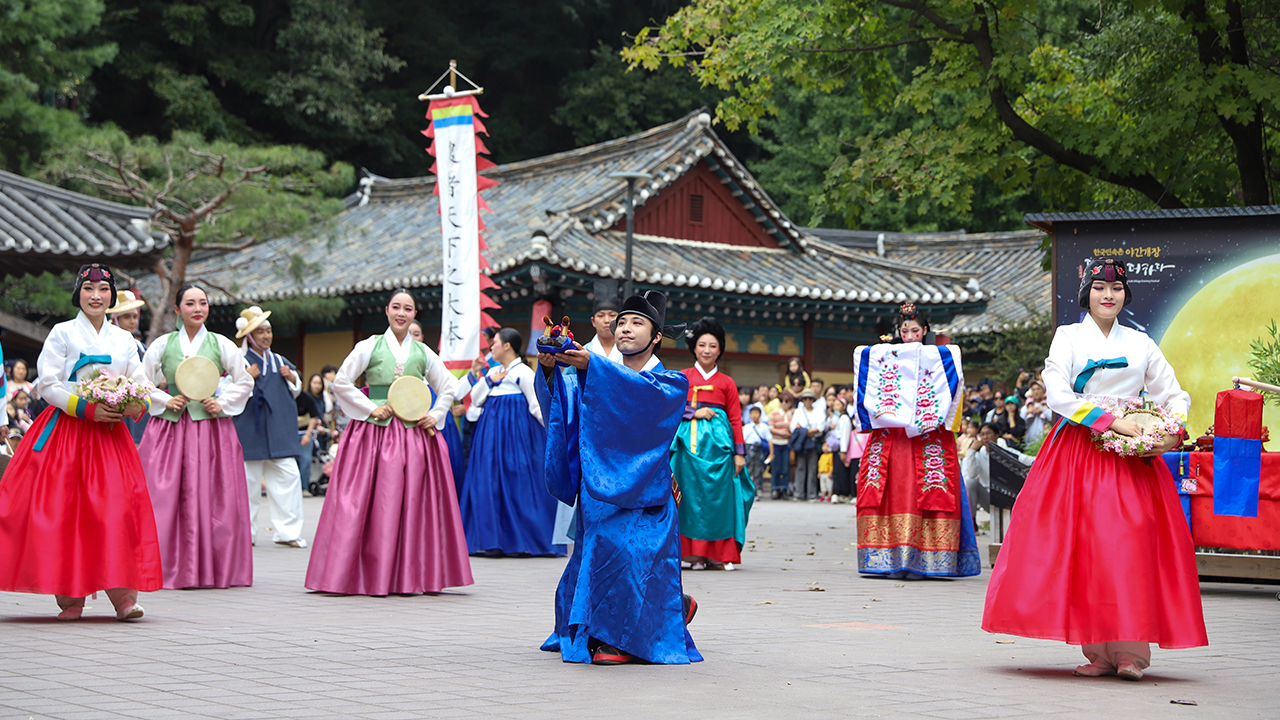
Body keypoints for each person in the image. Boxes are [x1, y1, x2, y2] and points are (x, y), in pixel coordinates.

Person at [983, 257, 1206, 680]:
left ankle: (1130, 652)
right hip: (1079, 451)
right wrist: (1109, 421)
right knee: (1086, 545)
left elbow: (1173, 393)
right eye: (1101, 289)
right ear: (1087, 292)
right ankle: (1099, 652)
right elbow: (1058, 394)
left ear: (1125, 295)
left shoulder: (1141, 344)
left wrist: (1169, 428)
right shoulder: (1068, 337)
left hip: (1131, 459)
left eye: (1117, 289)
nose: (1109, 296)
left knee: (1128, 541)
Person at [535, 289, 700, 665]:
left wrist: (590, 365)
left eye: (636, 323)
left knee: (621, 550)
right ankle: (668, 606)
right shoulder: (602, 373)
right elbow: (571, 412)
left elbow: (639, 398)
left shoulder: (670, 382)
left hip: (646, 497)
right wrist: (550, 369)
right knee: (589, 555)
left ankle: (627, 636)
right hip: (601, 493)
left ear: (656, 336)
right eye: (621, 322)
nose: (624, 329)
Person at [0, 264, 161, 620]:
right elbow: (47, 383)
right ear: (79, 294)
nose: (96, 296)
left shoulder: (123, 340)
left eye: (103, 290)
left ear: (111, 297)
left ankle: (123, 596)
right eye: (89, 289)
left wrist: (136, 402)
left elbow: (139, 379)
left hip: (110, 435)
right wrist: (86, 408)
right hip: (68, 432)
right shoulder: (61, 333)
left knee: (117, 509)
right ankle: (71, 598)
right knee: (67, 511)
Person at [305, 289, 472, 596]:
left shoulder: (422, 352)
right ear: (386, 310)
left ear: (414, 313)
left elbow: (450, 385)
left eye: (407, 309)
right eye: (396, 307)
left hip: (412, 432)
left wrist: (435, 414)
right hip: (374, 431)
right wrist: (370, 407)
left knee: (412, 501)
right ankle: (362, 570)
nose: (401, 313)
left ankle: (409, 572)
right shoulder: (369, 345)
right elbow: (342, 380)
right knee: (369, 500)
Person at [852, 302, 979, 579]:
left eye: (915, 331)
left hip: (929, 432)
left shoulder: (938, 355)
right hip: (892, 434)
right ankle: (888, 556)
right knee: (891, 491)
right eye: (905, 331)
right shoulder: (885, 356)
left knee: (928, 489)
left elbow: (954, 382)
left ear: (925, 331)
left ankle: (929, 558)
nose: (910, 336)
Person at [138, 285, 254, 589]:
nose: (197, 308)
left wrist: (222, 402)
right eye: (189, 304)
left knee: (216, 495)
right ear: (177, 310)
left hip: (211, 428)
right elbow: (140, 381)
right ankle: (163, 564)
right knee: (165, 497)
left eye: (203, 303)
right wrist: (164, 400)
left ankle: (215, 565)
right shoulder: (163, 344)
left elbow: (244, 381)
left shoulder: (221, 344)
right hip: (171, 427)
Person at [461, 328, 562, 557]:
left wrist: (553, 432)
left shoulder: (524, 372)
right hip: (488, 438)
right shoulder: (494, 371)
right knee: (488, 484)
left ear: (507, 346)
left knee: (518, 484)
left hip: (516, 439)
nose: (491, 348)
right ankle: (491, 541)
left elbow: (536, 405)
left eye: (494, 343)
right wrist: (488, 380)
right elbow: (475, 399)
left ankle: (522, 541)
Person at [670, 317, 753, 571]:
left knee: (720, 499)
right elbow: (670, 407)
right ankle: (692, 554)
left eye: (713, 346)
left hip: (720, 447)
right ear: (694, 347)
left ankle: (719, 553)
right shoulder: (682, 377)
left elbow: (737, 418)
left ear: (720, 349)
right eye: (702, 344)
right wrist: (693, 413)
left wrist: (740, 454)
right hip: (688, 446)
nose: (707, 350)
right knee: (689, 498)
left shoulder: (727, 382)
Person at [232, 307, 308, 548]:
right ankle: (246, 533)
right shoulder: (239, 361)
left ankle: (288, 533)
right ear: (249, 336)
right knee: (248, 483)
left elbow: (297, 390)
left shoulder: (279, 361)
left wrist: (292, 377)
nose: (266, 336)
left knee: (288, 477)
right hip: (249, 430)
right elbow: (226, 393)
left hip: (279, 429)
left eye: (268, 331)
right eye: (260, 332)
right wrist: (247, 378)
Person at [408, 318, 466, 496]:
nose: (411, 338)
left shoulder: (430, 360)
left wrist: (472, 375)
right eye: (408, 334)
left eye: (416, 334)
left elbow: (455, 389)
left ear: (423, 337)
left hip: (437, 425)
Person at [105, 290, 150, 444]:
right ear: (115, 318)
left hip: (136, 404)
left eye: (135, 316)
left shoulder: (140, 346)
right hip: (113, 404)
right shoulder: (107, 342)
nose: (132, 321)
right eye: (126, 317)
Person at [790, 388, 826, 501]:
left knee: (812, 467)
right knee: (800, 467)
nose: (808, 401)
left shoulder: (819, 411)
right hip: (802, 442)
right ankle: (799, 493)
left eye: (810, 399)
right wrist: (805, 432)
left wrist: (809, 431)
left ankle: (811, 493)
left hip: (813, 441)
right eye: (805, 399)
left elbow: (821, 426)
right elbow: (793, 427)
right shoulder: (798, 412)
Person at [767, 392, 795, 498]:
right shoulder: (775, 414)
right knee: (776, 467)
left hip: (787, 443)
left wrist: (789, 434)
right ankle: (775, 488)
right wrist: (780, 432)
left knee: (785, 467)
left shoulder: (793, 414)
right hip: (776, 442)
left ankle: (784, 488)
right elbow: (770, 427)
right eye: (782, 401)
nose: (784, 403)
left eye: (786, 401)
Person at [742, 405, 773, 498]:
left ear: (760, 414)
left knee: (758, 471)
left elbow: (770, 441)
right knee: (748, 470)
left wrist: (771, 454)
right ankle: (746, 490)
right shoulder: (747, 427)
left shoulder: (764, 427)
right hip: (749, 449)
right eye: (752, 413)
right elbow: (743, 441)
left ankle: (757, 490)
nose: (754, 415)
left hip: (759, 450)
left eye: (756, 413)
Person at [829, 396, 854, 503]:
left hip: (841, 448)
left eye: (838, 404)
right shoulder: (836, 418)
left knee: (841, 471)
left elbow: (845, 435)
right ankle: (837, 492)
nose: (836, 407)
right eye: (834, 404)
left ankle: (842, 492)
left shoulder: (844, 418)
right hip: (836, 447)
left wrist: (843, 451)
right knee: (837, 470)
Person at [583, 296, 622, 362]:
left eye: (612, 315)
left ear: (620, 320)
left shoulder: (631, 351)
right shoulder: (583, 352)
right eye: (600, 315)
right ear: (593, 321)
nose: (607, 320)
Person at [1020, 380, 1054, 446]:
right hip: (1029, 443)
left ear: (1043, 390)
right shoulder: (1026, 407)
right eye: (1033, 389)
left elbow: (1052, 418)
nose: (1036, 392)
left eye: (1038, 389)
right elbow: (1021, 422)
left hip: (1045, 442)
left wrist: (1043, 409)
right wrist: (1028, 412)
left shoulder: (1049, 405)